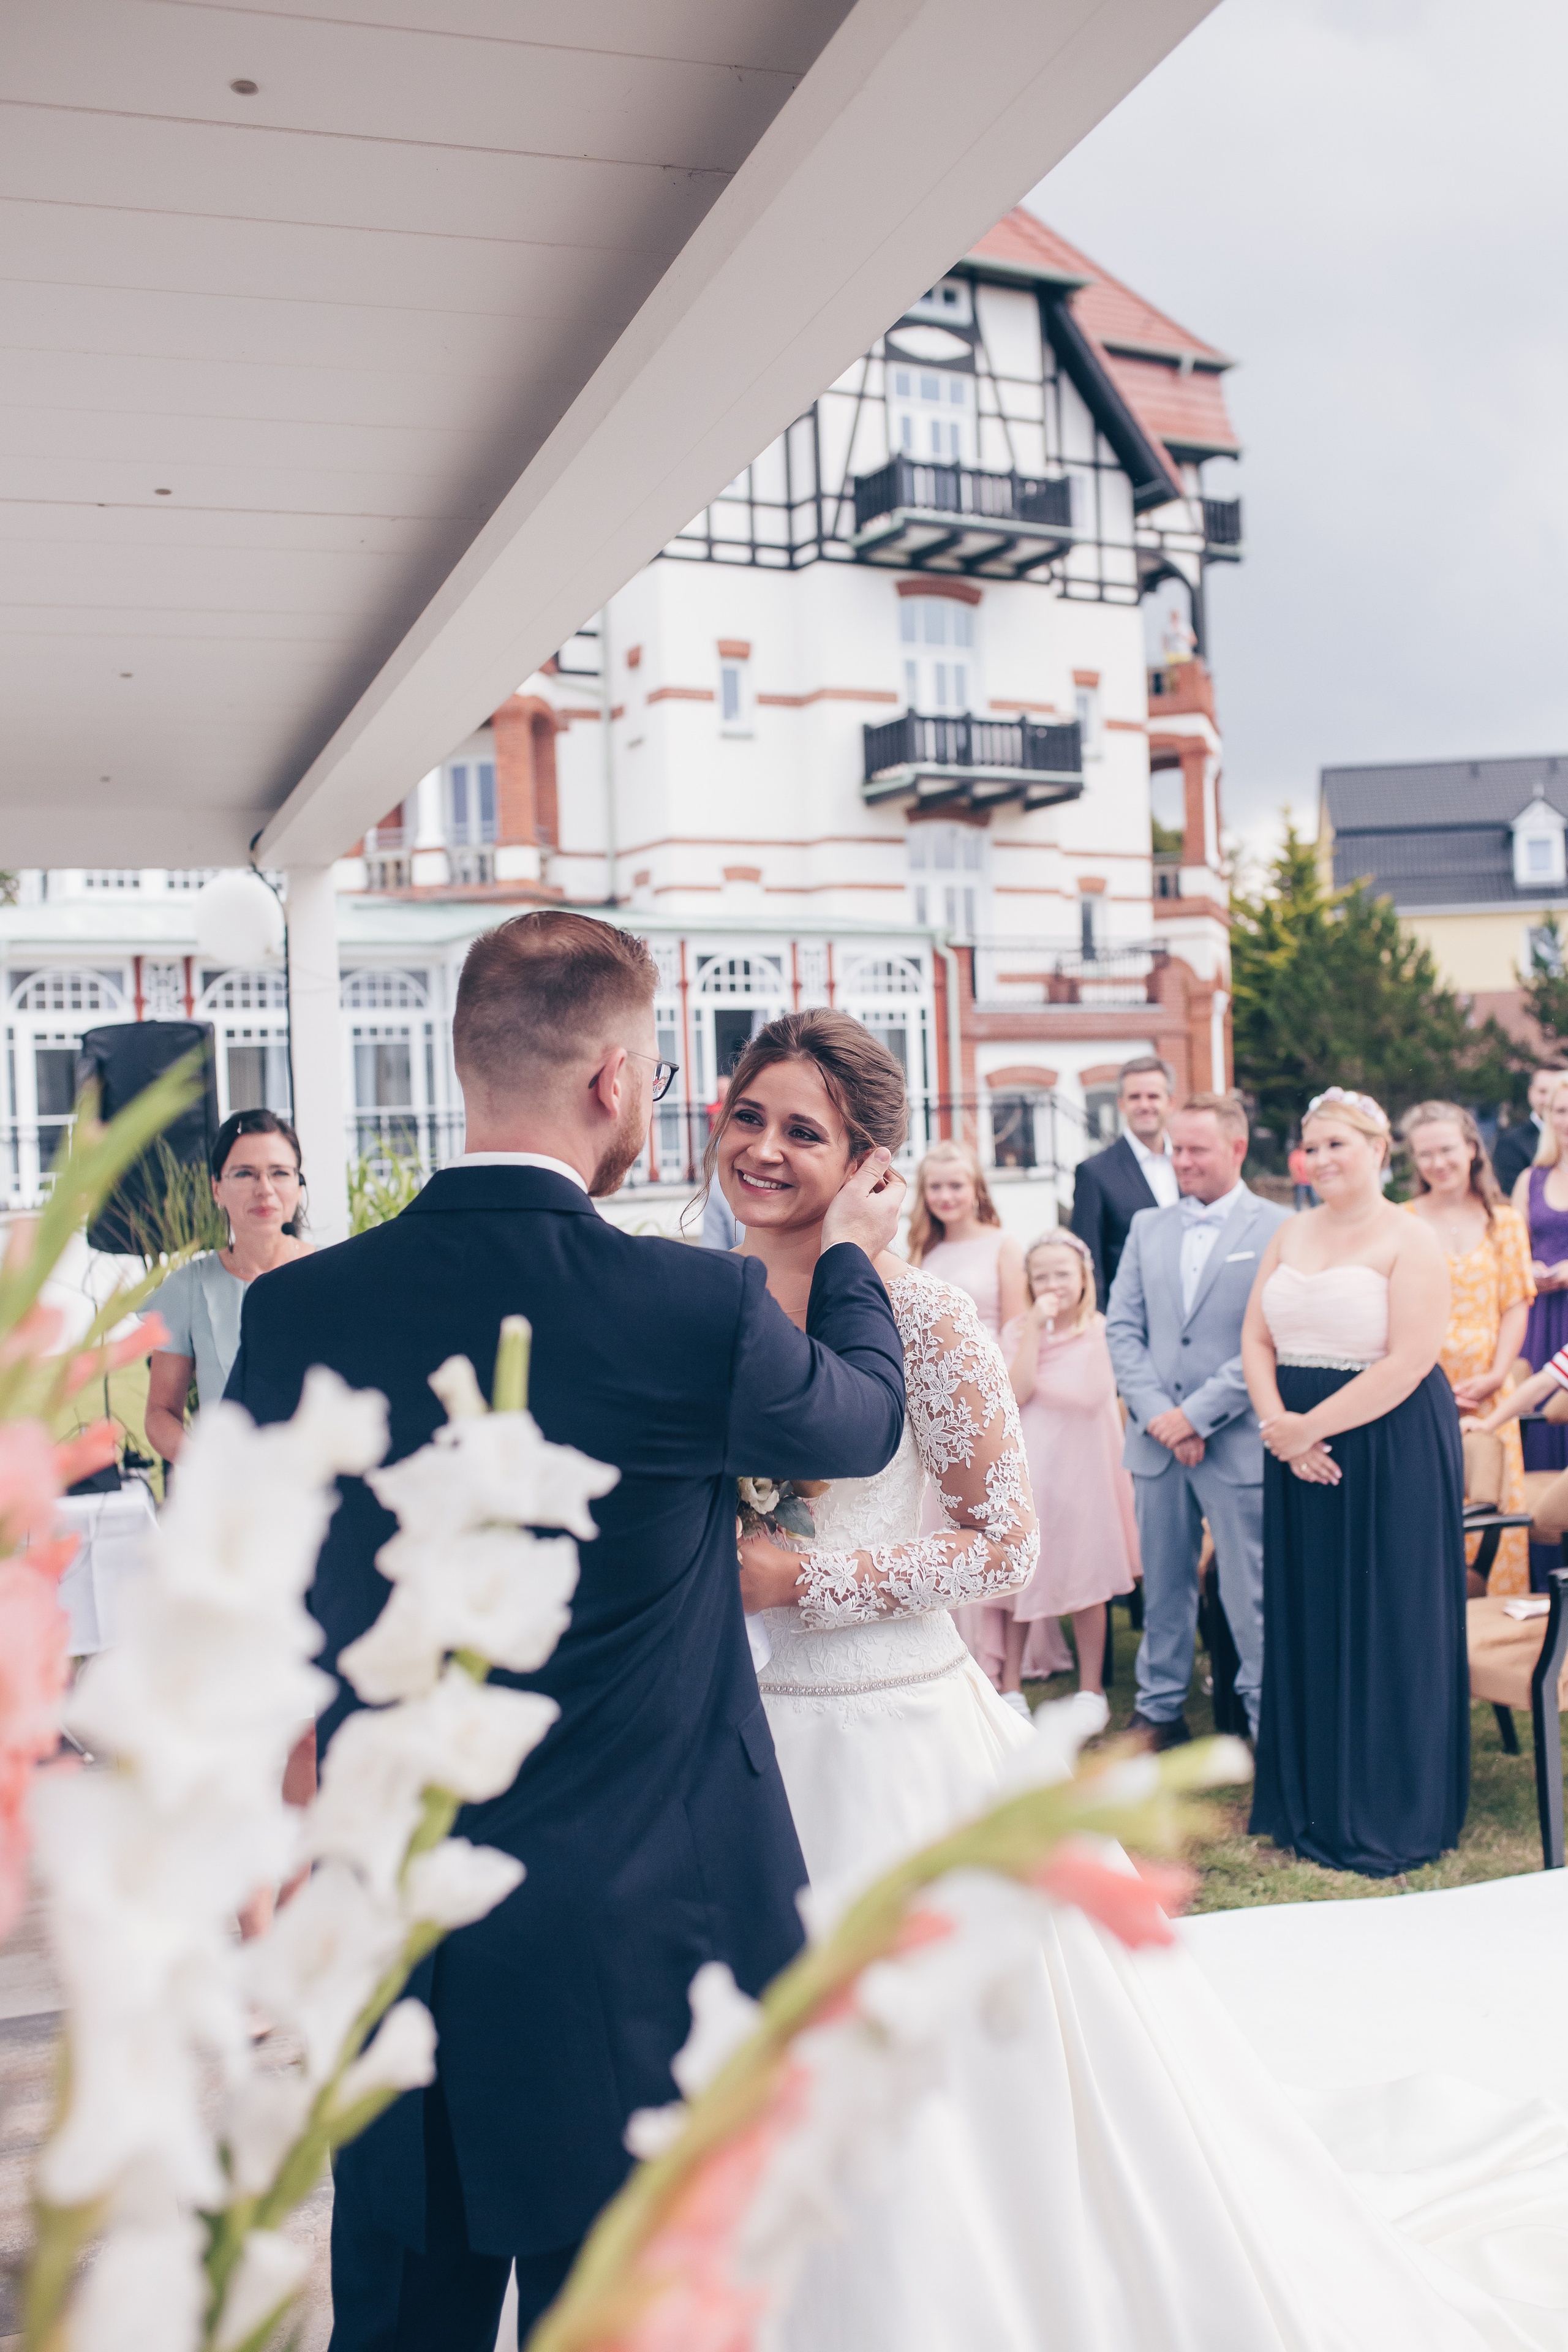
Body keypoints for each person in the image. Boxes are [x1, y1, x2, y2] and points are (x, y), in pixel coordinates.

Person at [716, 1040, 1518, 2352]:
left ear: (867, 1162)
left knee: (950, 2078)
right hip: (752, 1742)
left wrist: (804, 1577)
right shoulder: (714, 1309)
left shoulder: (918, 1318)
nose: (762, 1148)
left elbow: (1001, 1548)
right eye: (746, 1115)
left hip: (900, 1731)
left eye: (802, 1131)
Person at [224, 911, 910, 2352]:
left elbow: (245, 1596)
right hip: (626, 1949)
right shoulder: (691, 1305)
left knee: (402, 2312)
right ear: (613, 1077)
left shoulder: (294, 1313)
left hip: (398, 1925)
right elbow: (859, 1419)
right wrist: (844, 1249)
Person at [1243, 1087, 1466, 1877]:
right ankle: (1306, 1800)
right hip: (1293, 1444)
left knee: (1385, 1615)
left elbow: (1410, 1359)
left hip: (1385, 1438)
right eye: (1314, 1146)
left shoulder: (1411, 1237)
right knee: (1309, 1612)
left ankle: (1388, 1806)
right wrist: (1278, 1425)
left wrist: (1313, 1427)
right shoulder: (1289, 1230)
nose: (1323, 1159)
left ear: (1378, 1150)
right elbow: (1255, 1337)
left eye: (1339, 1144)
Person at [1105, 1091, 1287, 1746]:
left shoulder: (1276, 1227)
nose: (1179, 1160)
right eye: (1175, 1149)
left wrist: (1197, 1417)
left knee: (1250, 1593)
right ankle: (1159, 1711)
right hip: (1156, 1446)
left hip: (1236, 1440)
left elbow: (1271, 1335)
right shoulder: (1147, 1227)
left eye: (1194, 1149)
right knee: (1164, 1587)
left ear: (1236, 1149)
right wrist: (1161, 1418)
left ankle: (1265, 1723)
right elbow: (1122, 1328)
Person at [1400, 1101, 1534, 1595]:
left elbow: (1515, 1304)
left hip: (1488, 1391)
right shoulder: (1402, 1221)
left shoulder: (1504, 1221)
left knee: (1491, 1512)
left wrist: (1499, 1375)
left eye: (1447, 1150)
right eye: (1425, 1154)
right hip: (1419, 1389)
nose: (1438, 1163)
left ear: (1472, 1149)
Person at [998, 1228, 1138, 1697]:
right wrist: (1034, 1328)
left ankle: (1091, 1688)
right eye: (1042, 1276)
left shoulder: (1102, 1331)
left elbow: (1096, 1393)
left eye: (1063, 1274)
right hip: (1034, 1468)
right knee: (1022, 1578)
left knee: (1088, 1576)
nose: (1053, 1284)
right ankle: (1012, 1684)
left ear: (1083, 1278)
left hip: (1086, 1472)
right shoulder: (1018, 1332)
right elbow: (1016, 1392)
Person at [145, 1107, 309, 1464]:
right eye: (245, 1174)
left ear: (298, 1187)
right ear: (217, 1189)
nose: (264, 1189)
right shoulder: (188, 1287)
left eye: (279, 1173)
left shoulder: (335, 1274)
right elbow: (160, 1412)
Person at [1070, 1054, 1179, 1307]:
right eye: (1134, 1097)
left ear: (1171, 1103)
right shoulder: (1094, 1172)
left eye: (1153, 1096)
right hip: (1130, 1316)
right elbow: (1088, 1260)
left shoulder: (1189, 1165)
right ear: (1121, 1104)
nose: (1144, 1105)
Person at [1513, 1071, 1568, 1561]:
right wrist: (1527, 1266)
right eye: (1560, 1111)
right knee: (1538, 1415)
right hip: (1541, 1317)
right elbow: (1512, 1245)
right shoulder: (1531, 1179)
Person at [904, 1137, 1025, 1333]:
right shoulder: (921, 1249)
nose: (945, 1197)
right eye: (935, 1187)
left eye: (956, 1186)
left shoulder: (1004, 1247)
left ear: (976, 1188)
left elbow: (1015, 1334)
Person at [1491, 1064, 1560, 1193]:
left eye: (1557, 1092)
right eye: (1543, 1091)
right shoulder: (1510, 1144)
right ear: (1531, 1094)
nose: (1550, 1100)